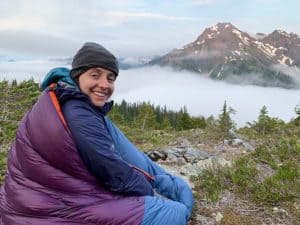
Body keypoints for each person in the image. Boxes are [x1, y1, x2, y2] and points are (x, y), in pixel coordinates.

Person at [0, 42, 194, 225]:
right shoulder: (79, 115)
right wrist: (153, 192)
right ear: (78, 75)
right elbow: (115, 174)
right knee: (175, 212)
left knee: (175, 189)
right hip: (45, 210)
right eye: (95, 75)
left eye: (110, 78)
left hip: (35, 199)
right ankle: (169, 187)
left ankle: (168, 183)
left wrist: (156, 182)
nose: (104, 84)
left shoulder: (65, 98)